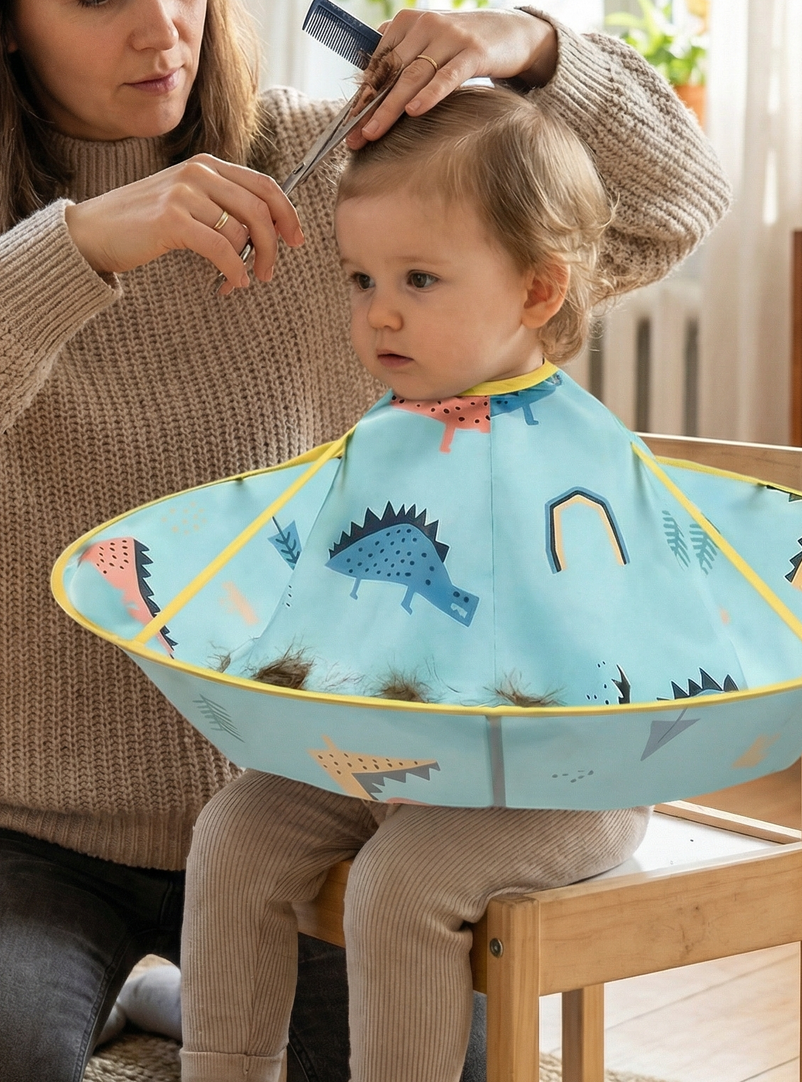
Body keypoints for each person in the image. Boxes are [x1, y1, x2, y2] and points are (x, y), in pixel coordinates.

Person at [0, 0, 730, 1082]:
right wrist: (70, 252)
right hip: (21, 833)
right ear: (2, 21)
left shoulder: (336, 176)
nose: (164, 26)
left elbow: (672, 207)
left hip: (324, 805)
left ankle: (167, 990)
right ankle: (143, 981)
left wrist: (530, 46)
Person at [177, 88, 651, 1082]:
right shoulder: (384, 432)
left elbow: (612, 646)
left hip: (563, 781)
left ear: (534, 290)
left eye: (419, 278)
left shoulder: (579, 458)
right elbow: (328, 597)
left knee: (397, 884)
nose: (377, 310)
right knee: (232, 831)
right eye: (360, 278)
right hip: (394, 756)